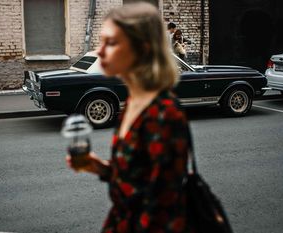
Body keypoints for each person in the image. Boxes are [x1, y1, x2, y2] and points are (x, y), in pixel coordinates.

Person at [66, 2, 195, 232]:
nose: (100, 51)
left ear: (142, 50)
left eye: (111, 42)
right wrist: (102, 169)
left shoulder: (162, 113)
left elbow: (162, 205)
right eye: (101, 41)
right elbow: (136, 178)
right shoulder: (134, 102)